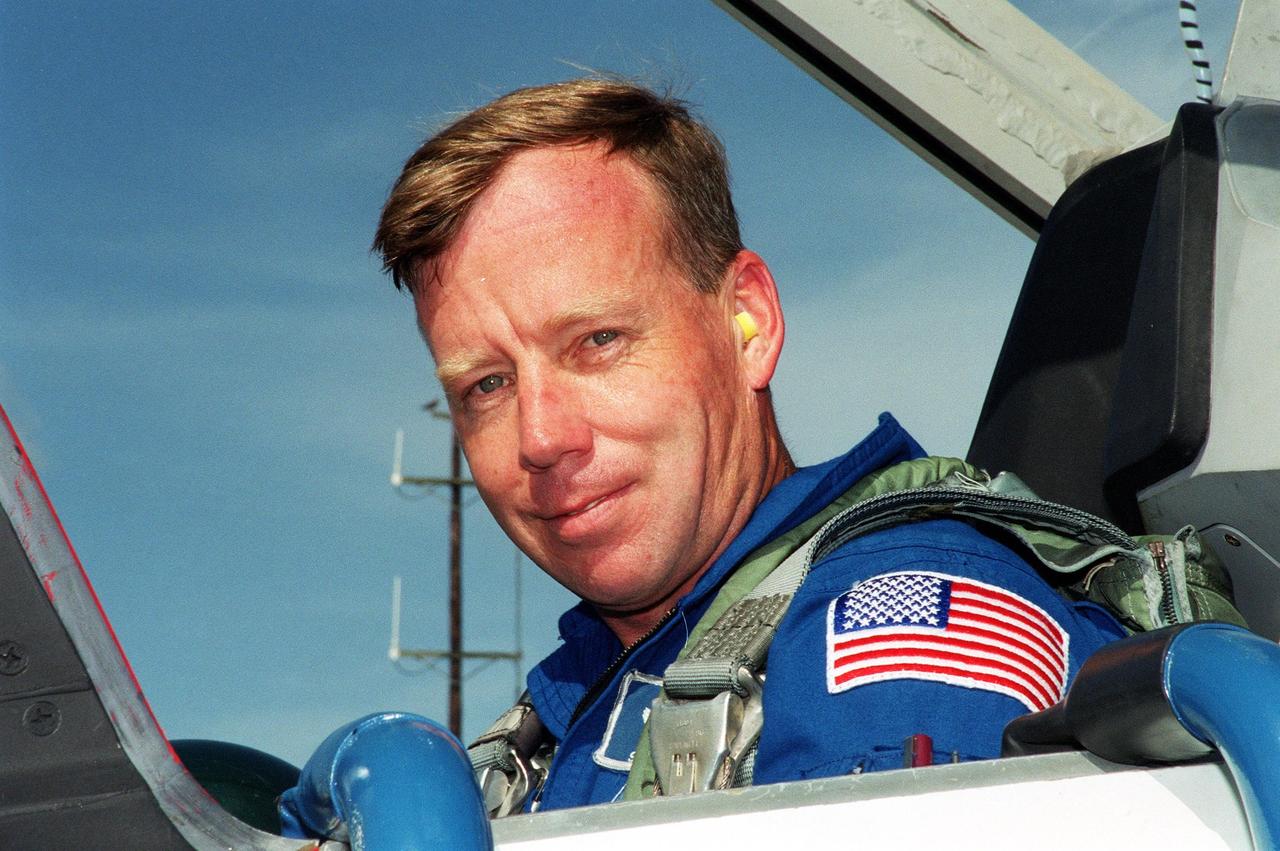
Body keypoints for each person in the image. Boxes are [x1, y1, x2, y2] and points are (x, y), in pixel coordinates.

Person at [369, 78, 1126, 812]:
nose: (540, 436)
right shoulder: (560, 720)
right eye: (487, 386)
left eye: (597, 341)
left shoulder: (896, 614)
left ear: (749, 323)